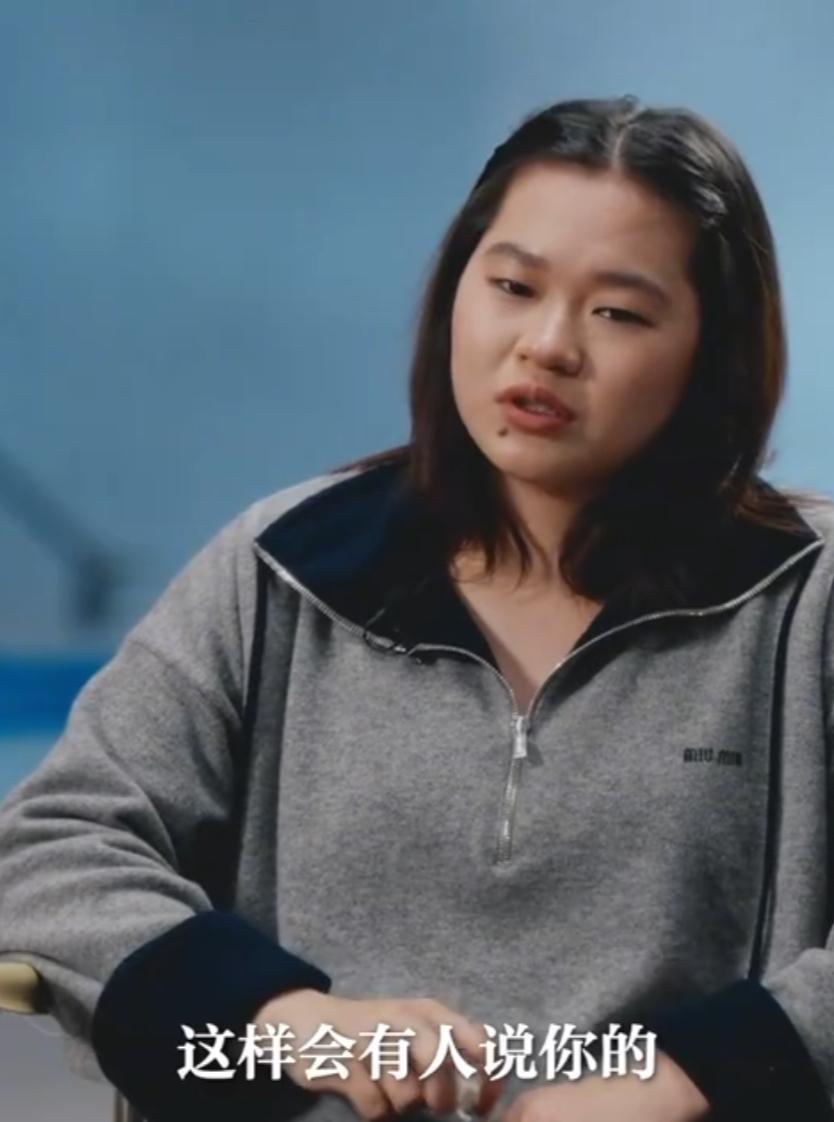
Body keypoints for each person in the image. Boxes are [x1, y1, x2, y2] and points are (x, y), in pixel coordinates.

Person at [1, 93, 834, 1122]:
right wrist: (285, 1018)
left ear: (715, 353)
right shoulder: (283, 568)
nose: (547, 345)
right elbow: (49, 846)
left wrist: (693, 1078)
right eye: (513, 286)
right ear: (455, 295)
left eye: (619, 312)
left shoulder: (809, 597)